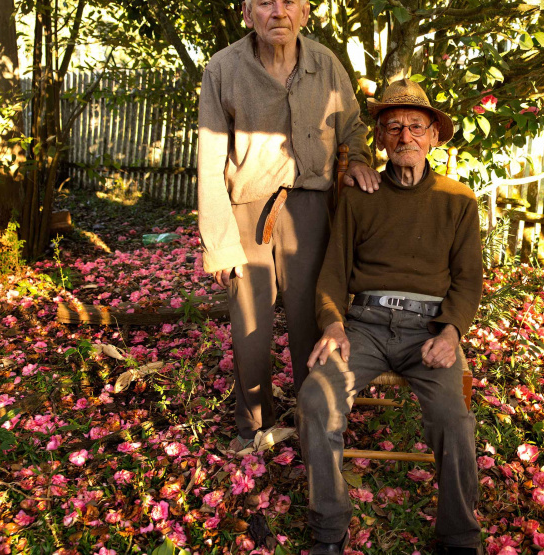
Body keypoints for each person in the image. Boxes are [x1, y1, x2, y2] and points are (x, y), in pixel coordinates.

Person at [296, 79, 484, 555]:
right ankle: (329, 529)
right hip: (365, 325)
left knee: (454, 419)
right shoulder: (361, 195)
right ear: (379, 138)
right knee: (315, 400)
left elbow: (468, 280)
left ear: (434, 136)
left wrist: (451, 332)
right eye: (394, 127)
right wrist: (333, 324)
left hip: (429, 331)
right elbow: (333, 272)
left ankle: (460, 537)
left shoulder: (458, 200)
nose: (406, 137)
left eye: (416, 127)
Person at [196, 0, 381, 451]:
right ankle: (252, 428)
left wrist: (359, 159)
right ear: (247, 14)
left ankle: (314, 421)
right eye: (265, 3)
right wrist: (219, 244)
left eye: (289, 2)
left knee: (311, 321)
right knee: (250, 326)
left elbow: (352, 126)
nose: (278, 12)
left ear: (305, 13)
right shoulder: (223, 69)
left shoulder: (326, 64)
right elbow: (209, 160)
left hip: (312, 209)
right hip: (247, 210)